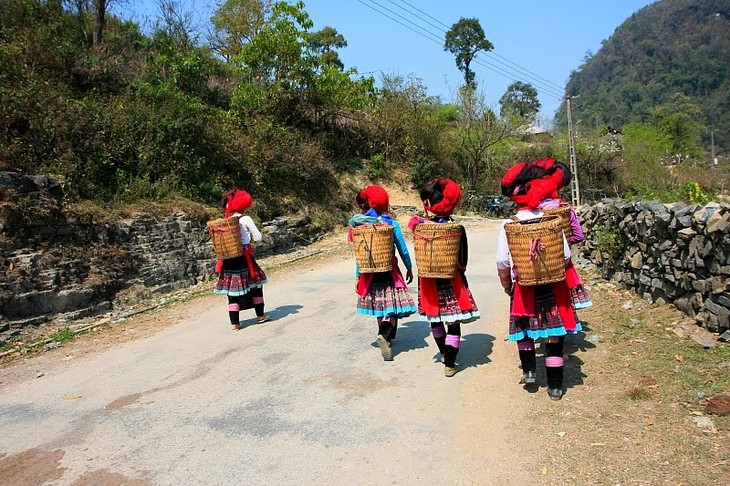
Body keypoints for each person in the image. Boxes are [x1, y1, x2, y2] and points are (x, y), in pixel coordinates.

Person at [496, 159, 580, 400]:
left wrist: (507, 283)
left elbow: (502, 262)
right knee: (554, 335)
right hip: (553, 285)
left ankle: (530, 371)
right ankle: (555, 387)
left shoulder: (508, 226)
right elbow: (565, 255)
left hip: (523, 287)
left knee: (524, 331)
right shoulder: (552, 222)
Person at [408, 178, 480, 377]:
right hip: (452, 280)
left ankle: (443, 352)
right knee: (453, 322)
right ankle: (450, 363)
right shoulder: (457, 228)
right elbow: (463, 260)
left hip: (428, 281)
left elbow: (413, 227)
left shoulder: (420, 226)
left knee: (435, 319)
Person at [349, 185, 416, 361]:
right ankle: (384, 335)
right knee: (391, 307)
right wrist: (409, 266)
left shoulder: (360, 225)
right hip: (390, 271)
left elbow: (360, 254)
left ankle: (384, 335)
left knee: (380, 305)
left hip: (369, 273)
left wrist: (358, 275)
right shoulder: (390, 223)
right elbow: (402, 248)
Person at [213, 188, 271, 330]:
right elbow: (258, 238)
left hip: (228, 260)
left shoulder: (224, 222)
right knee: (256, 286)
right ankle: (260, 316)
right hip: (245, 258)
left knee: (232, 292)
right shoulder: (245, 219)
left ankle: (235, 324)